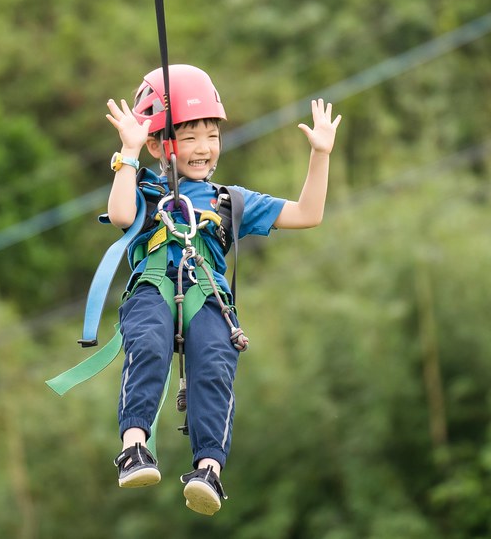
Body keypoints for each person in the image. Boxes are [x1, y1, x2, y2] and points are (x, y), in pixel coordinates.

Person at [103, 63, 341, 515]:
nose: (204, 148)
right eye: (189, 137)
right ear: (159, 144)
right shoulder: (145, 187)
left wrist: (321, 155)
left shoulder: (230, 200)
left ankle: (208, 469)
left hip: (207, 295)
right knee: (149, 342)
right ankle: (134, 447)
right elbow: (119, 214)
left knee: (215, 362)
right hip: (154, 287)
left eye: (211, 136)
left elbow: (308, 213)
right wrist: (128, 154)